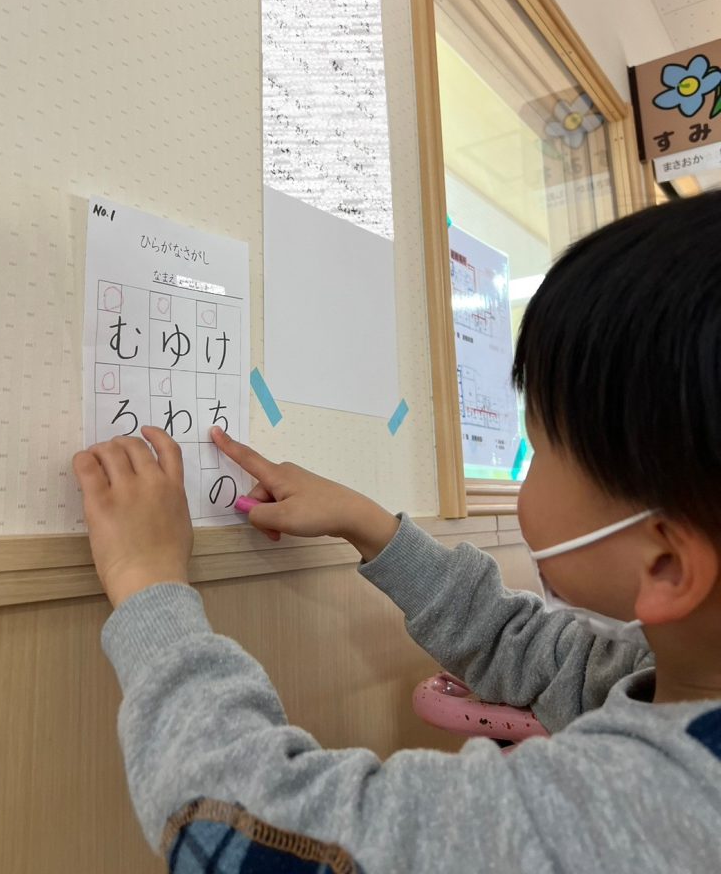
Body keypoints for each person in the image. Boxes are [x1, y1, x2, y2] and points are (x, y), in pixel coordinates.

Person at [74, 192, 721, 873]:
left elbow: (251, 830)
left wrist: (147, 581)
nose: (528, 472)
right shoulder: (677, 670)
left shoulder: (645, 817)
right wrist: (369, 524)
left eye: (540, 450)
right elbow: (523, 647)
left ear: (667, 565)